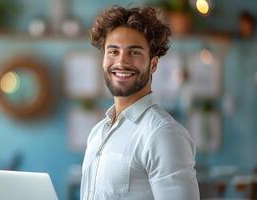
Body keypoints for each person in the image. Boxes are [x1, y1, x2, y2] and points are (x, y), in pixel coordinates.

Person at [80, 6, 200, 200]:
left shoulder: (163, 134)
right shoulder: (97, 133)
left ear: (153, 64)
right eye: (113, 51)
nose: (121, 61)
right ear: (103, 59)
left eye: (134, 52)